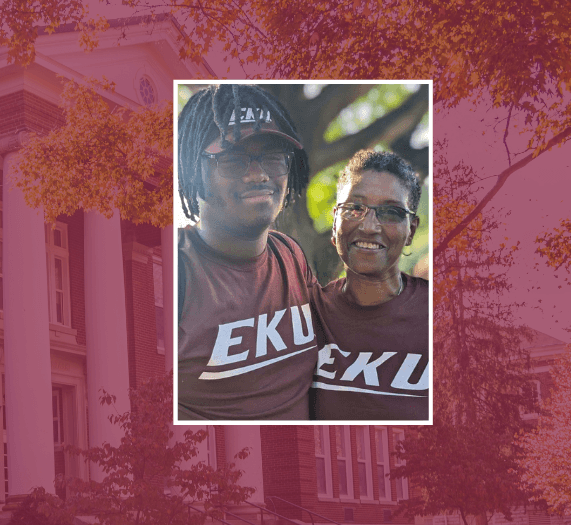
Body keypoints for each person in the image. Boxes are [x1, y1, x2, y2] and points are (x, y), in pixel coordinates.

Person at [175, 84, 321, 420]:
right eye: (233, 159)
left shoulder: (290, 255)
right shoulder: (176, 270)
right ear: (194, 170)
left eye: (272, 157)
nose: (258, 174)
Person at [313, 150, 429, 421]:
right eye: (354, 208)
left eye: (390, 212)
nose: (368, 226)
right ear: (334, 222)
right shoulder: (304, 319)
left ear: (411, 230)